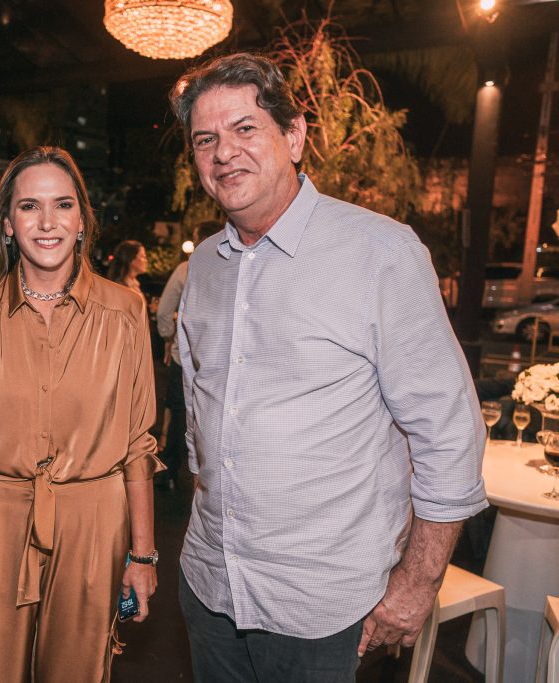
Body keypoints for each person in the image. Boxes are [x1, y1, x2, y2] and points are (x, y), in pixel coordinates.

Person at [169, 53, 488, 682]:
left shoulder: (382, 253)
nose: (223, 152)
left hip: (327, 609)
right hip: (211, 585)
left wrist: (417, 583)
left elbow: (447, 434)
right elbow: (201, 413)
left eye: (244, 128)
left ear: (294, 135)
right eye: (205, 139)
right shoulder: (204, 266)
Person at [0, 146, 162, 682]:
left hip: (93, 520)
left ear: (83, 221)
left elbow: (137, 445)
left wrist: (142, 556)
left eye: (63, 205)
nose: (48, 222)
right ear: (8, 225)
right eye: (30, 206)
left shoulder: (124, 312)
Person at [153, 220, 222, 491]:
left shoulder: (186, 268)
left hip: (185, 358)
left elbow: (163, 310)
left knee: (180, 414)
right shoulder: (236, 264)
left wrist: (169, 336)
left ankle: (169, 472)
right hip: (218, 360)